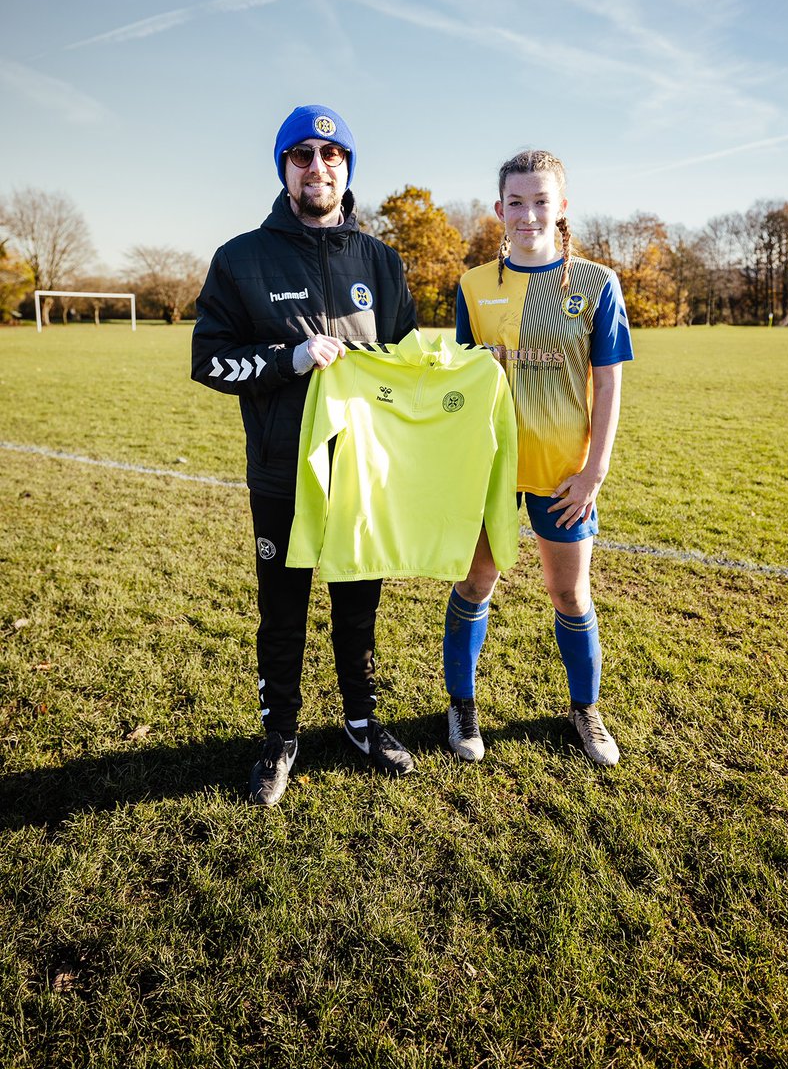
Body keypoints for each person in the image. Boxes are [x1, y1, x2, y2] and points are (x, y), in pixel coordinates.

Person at [192, 104, 417, 807]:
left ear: (347, 167)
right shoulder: (240, 259)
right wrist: (289, 358)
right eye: (301, 156)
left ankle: (361, 720)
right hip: (282, 472)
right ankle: (280, 737)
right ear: (283, 168)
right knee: (282, 612)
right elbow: (209, 361)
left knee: (359, 606)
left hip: (359, 470)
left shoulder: (380, 261)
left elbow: (407, 362)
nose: (317, 167)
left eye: (331, 155)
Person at [443, 149, 633, 767]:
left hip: (564, 473)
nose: (529, 215)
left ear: (562, 207)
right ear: (499, 210)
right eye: (516, 202)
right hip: (491, 469)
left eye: (541, 201)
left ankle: (586, 710)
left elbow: (608, 382)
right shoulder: (474, 285)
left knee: (570, 594)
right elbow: (464, 381)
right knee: (475, 582)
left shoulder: (597, 283)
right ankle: (462, 706)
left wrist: (595, 470)